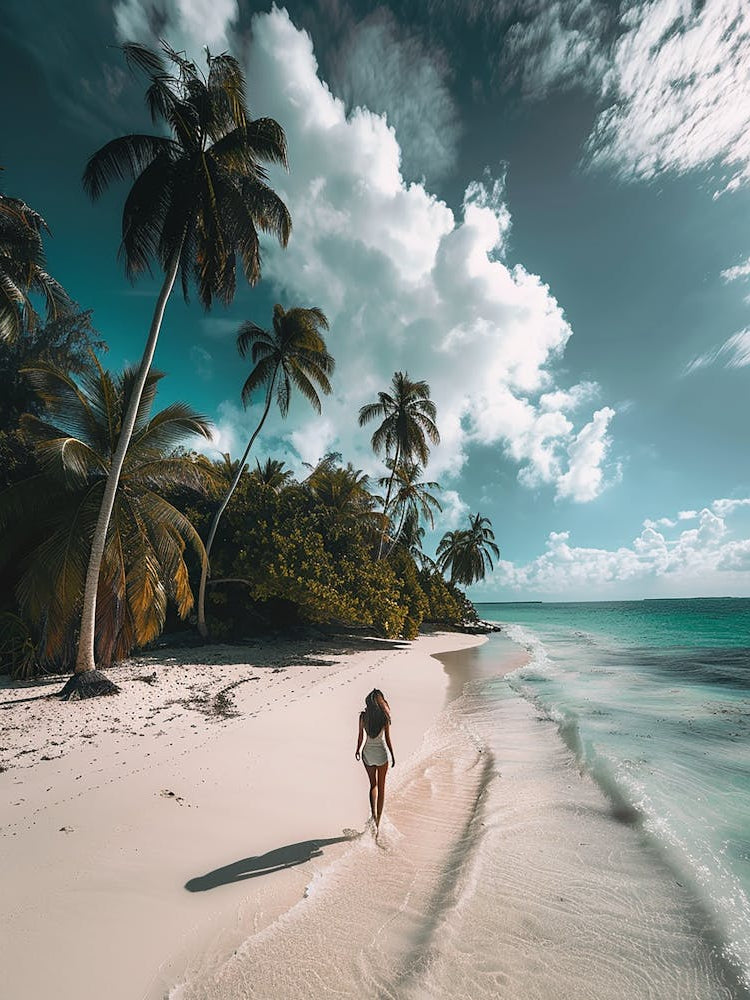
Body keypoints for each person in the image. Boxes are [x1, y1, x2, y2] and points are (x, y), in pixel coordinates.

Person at [355, 688, 395, 834]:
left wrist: (357, 750)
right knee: (382, 788)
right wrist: (392, 754)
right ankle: (378, 822)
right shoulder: (384, 717)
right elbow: (388, 739)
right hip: (381, 754)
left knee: (373, 785)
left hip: (367, 753)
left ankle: (373, 815)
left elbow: (360, 736)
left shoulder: (363, 717)